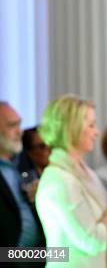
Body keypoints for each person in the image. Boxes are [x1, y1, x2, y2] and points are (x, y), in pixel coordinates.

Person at [36, 95, 107, 268]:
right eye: (91, 125)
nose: (97, 132)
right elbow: (92, 241)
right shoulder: (58, 180)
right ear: (72, 128)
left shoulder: (87, 173)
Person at [0, 101, 46, 252]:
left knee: (69, 255)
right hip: (9, 257)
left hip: (36, 255)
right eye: (12, 126)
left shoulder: (22, 162)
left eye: (19, 125)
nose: (20, 131)